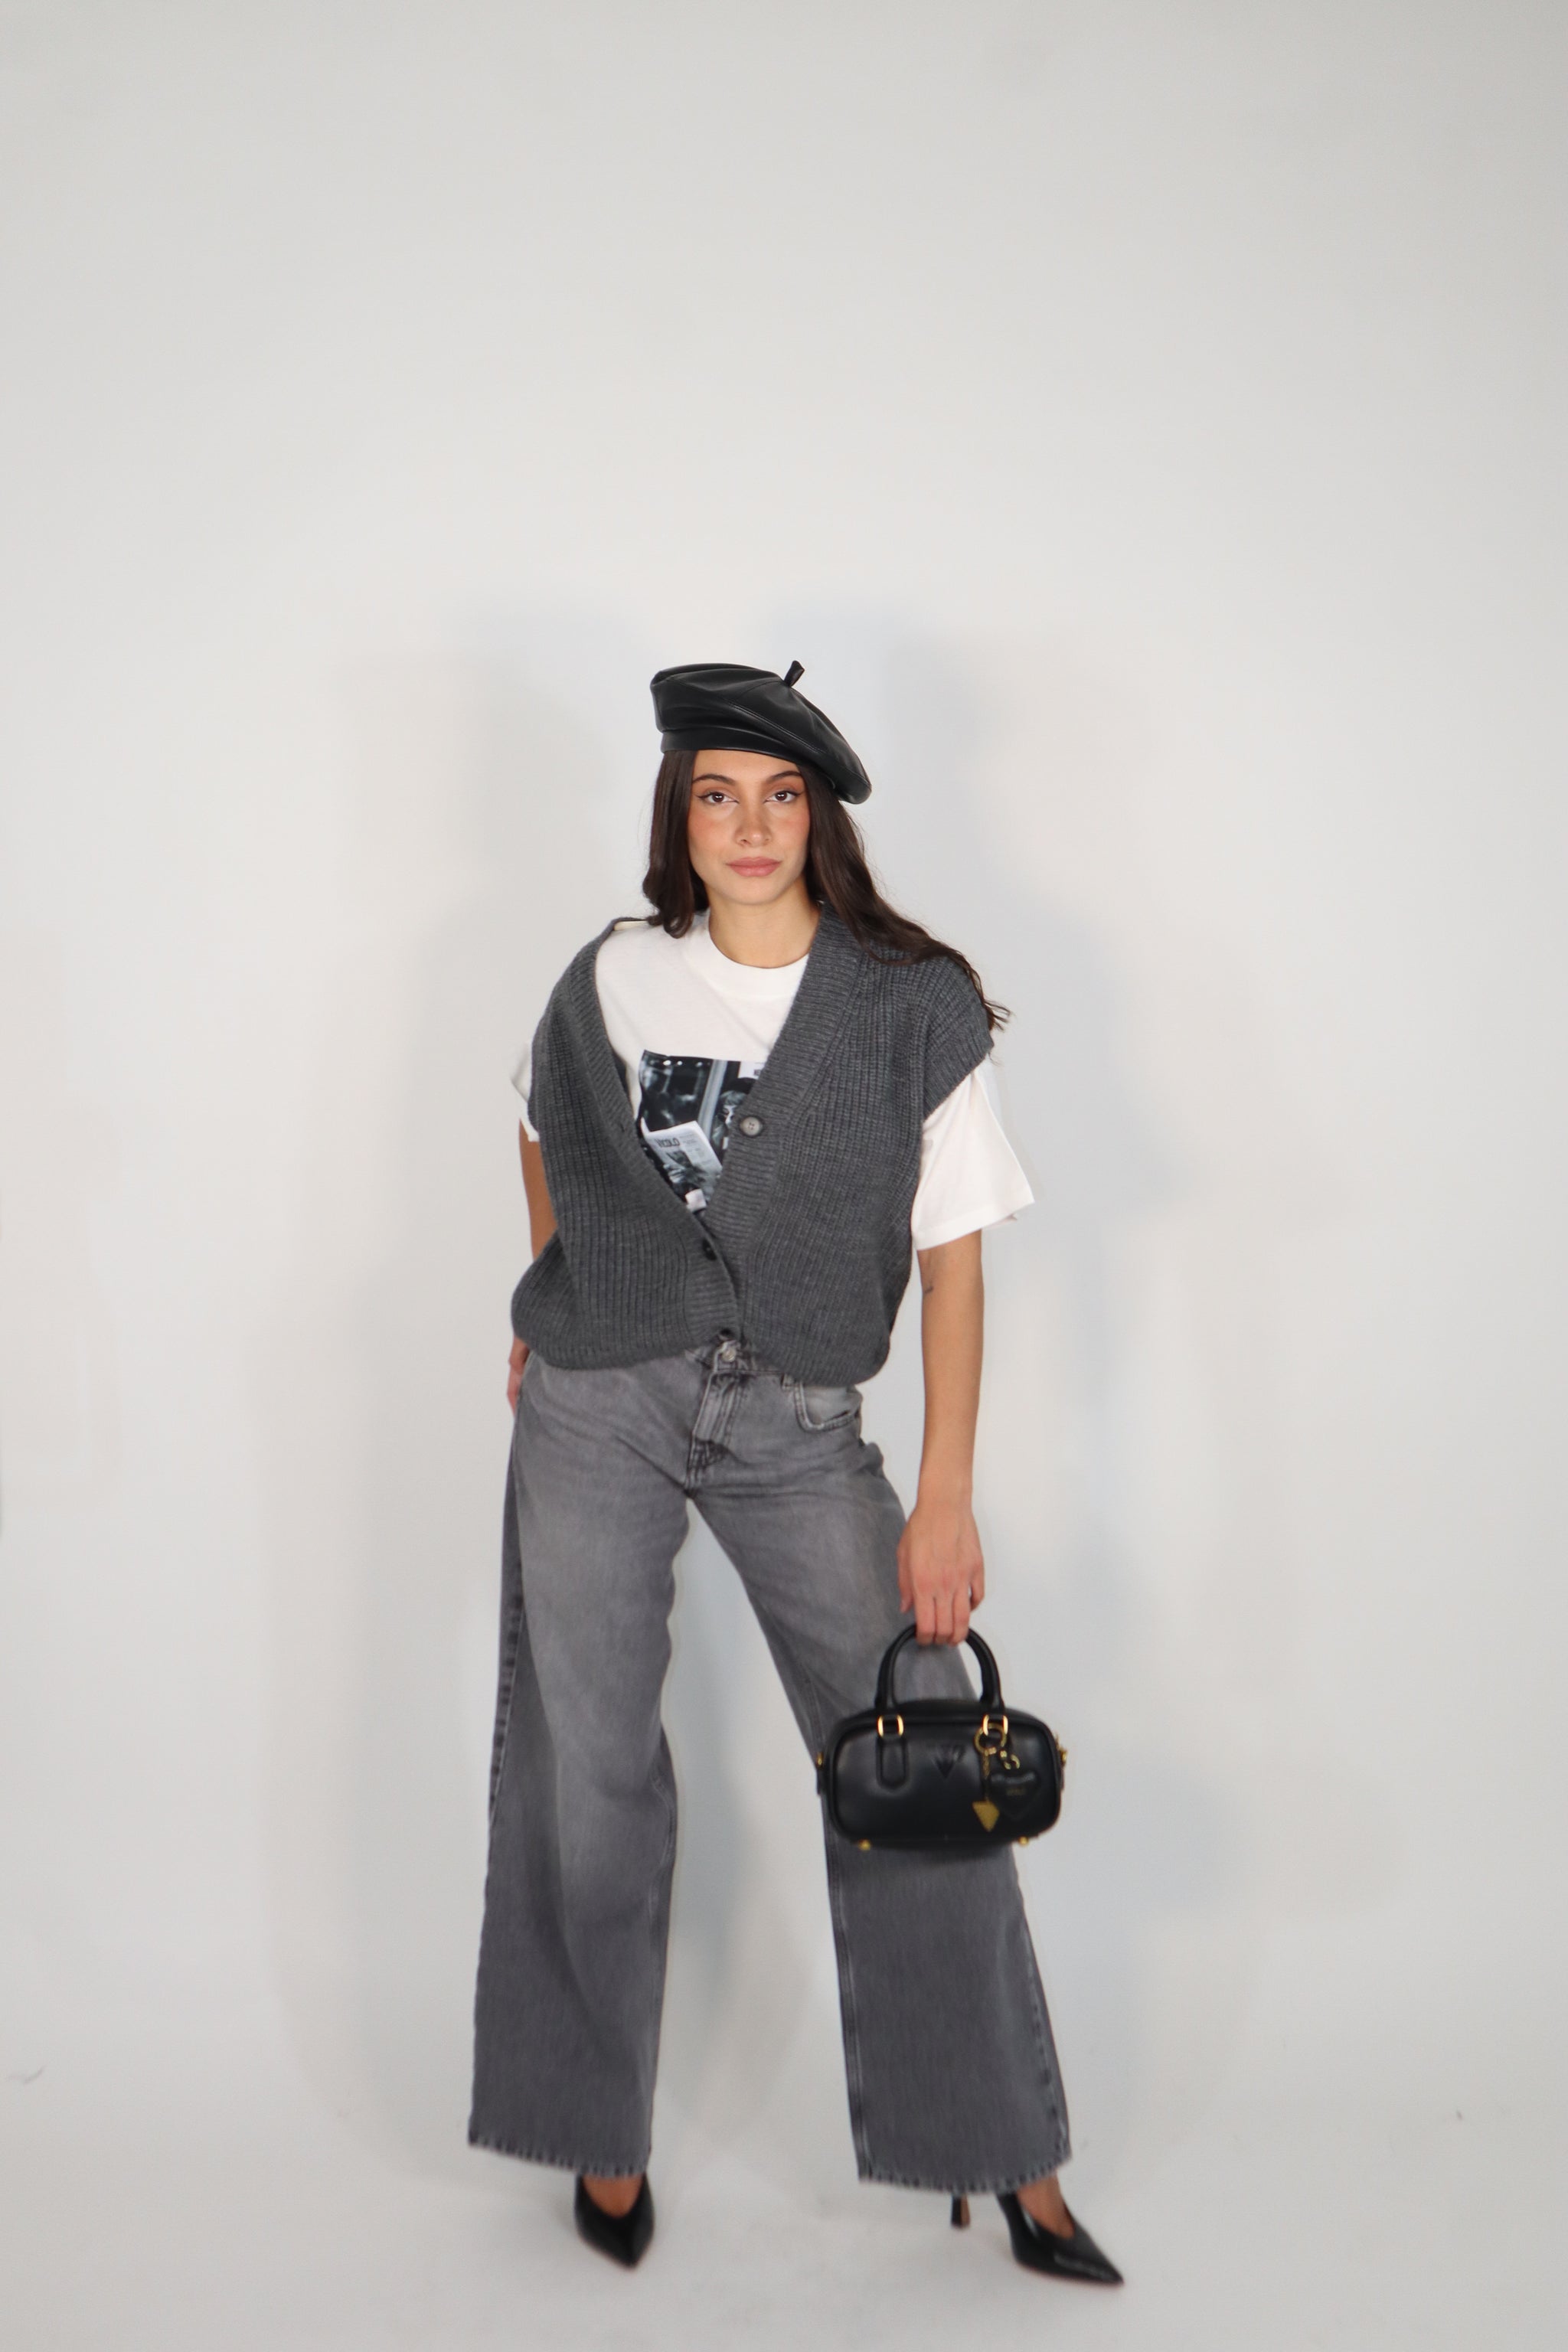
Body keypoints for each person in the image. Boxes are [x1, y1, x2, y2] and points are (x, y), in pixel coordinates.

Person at [468, 662, 1122, 2286]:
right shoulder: (614, 976)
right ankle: (597, 2135)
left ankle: (1008, 2157)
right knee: (584, 1769)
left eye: (779, 797)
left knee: (917, 1763)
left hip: (799, 1427)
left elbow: (955, 1264)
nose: (748, 827)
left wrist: (947, 1497)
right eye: (716, 795)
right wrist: (559, 1294)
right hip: (600, 1405)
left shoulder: (907, 1004)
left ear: (817, 818)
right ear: (677, 816)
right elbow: (541, 1125)